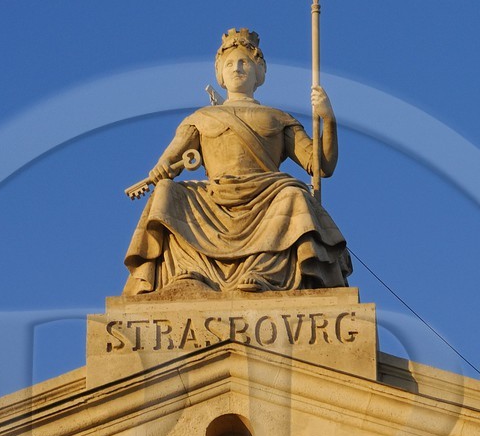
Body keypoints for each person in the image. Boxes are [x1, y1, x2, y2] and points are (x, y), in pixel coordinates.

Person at [122, 28, 352, 296]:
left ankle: (264, 272)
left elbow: (321, 165)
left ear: (260, 71)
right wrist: (161, 169)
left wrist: (328, 119)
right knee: (167, 192)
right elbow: (168, 162)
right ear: (219, 73)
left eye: (245, 62)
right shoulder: (200, 119)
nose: (237, 68)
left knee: (293, 195)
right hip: (214, 197)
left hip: (266, 196)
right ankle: (191, 271)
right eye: (229, 63)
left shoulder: (278, 119)